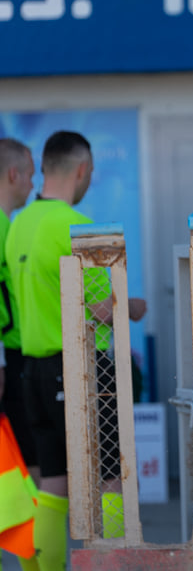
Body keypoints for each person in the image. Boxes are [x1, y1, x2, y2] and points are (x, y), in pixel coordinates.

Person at [6, 131, 147, 570]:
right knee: (110, 477)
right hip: (83, 369)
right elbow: (105, 309)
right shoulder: (75, 226)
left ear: (44, 169)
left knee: (52, 483)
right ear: (82, 169)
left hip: (31, 368)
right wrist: (134, 306)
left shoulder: (18, 226)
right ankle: (112, 563)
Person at [0, 138, 37, 567]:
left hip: (14, 362)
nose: (33, 184)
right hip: (10, 363)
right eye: (29, 174)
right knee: (29, 471)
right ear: (14, 175)